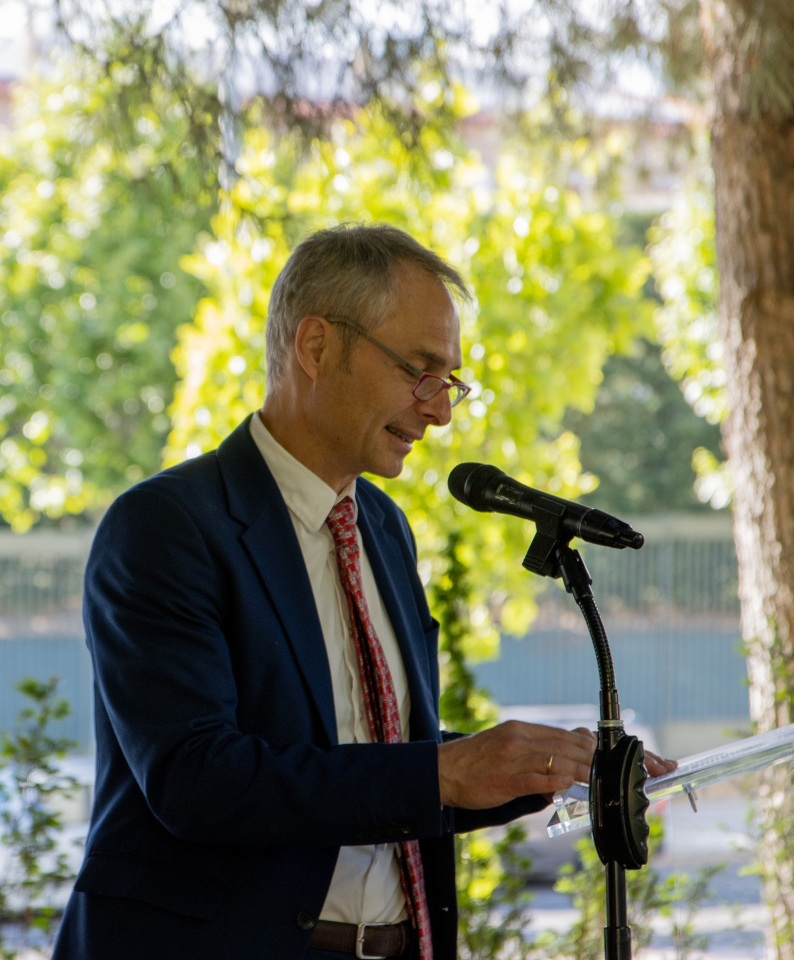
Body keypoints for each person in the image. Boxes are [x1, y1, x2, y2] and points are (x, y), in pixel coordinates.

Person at [54, 224, 675, 960]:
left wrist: (540, 767)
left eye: (450, 381)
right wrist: (443, 772)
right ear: (316, 347)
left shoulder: (381, 526)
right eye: (420, 370)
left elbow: (380, 760)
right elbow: (197, 781)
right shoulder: (167, 526)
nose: (440, 410)